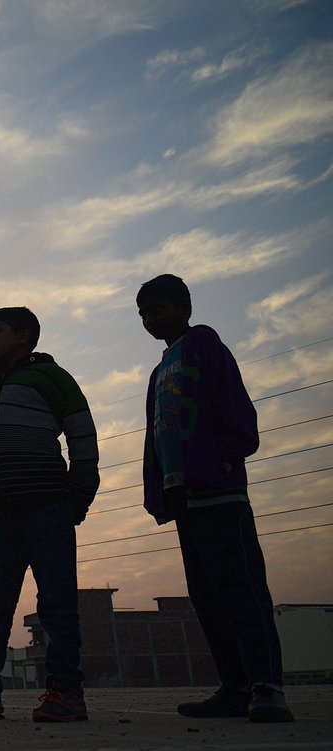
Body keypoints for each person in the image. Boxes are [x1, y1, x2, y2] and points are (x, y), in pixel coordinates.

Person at [136, 274, 292, 723]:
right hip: (183, 499)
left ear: (183, 307)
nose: (151, 319)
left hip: (220, 497)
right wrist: (157, 491)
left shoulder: (206, 347)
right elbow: (155, 437)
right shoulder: (159, 370)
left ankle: (268, 687)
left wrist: (224, 459)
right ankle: (236, 686)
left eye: (159, 309)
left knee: (242, 591)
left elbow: (237, 411)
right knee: (208, 597)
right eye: (144, 314)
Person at [0, 307, 99, 723]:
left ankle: (66, 692)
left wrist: (78, 497)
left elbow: (83, 438)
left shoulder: (53, 378)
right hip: (3, 515)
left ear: (24, 336)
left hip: (47, 507)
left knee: (57, 605)